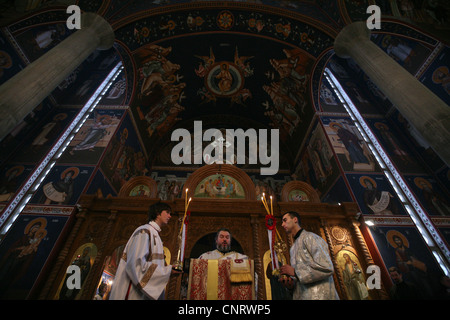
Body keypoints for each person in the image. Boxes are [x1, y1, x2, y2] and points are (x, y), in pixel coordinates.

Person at [109, 202, 180, 300]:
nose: (170, 216)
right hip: (134, 294)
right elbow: (136, 265)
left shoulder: (155, 235)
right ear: (157, 213)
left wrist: (167, 270)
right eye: (167, 212)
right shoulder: (144, 231)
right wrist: (166, 271)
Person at [279, 211, 339, 300]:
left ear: (295, 219)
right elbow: (300, 278)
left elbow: (327, 267)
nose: (282, 224)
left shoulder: (310, 237)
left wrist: (295, 272)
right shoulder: (293, 248)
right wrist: (291, 285)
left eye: (285, 220)